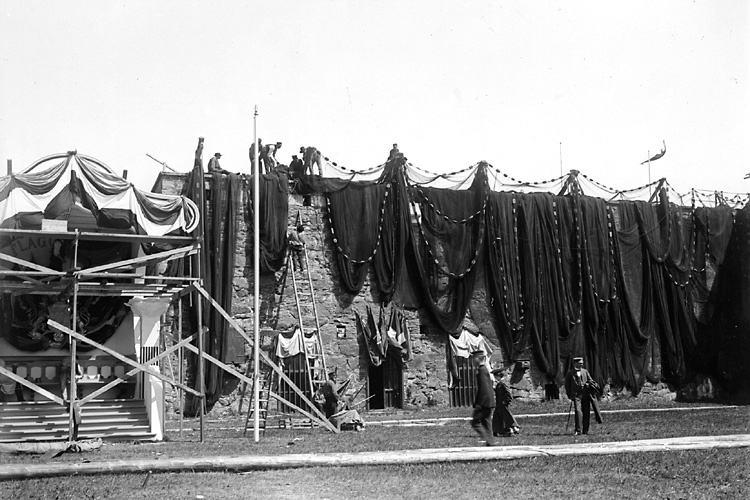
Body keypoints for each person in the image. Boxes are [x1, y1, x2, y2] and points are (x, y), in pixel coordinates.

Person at [564, 356, 603, 435]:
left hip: (586, 394)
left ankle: (585, 430)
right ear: (575, 364)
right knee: (578, 411)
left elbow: (591, 380)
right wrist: (570, 395)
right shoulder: (570, 373)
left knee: (586, 412)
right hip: (576, 395)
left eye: (582, 363)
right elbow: (567, 385)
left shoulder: (585, 371)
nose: (581, 365)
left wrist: (589, 384)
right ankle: (578, 430)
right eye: (580, 363)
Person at [470, 351, 497, 446]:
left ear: (478, 359)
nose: (473, 361)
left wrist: (479, 403)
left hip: (484, 401)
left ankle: (487, 439)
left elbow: (483, 388)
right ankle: (491, 441)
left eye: (473, 358)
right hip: (489, 401)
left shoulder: (481, 370)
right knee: (486, 421)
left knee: (475, 422)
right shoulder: (484, 369)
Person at [492, 366, 519, 437]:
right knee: (499, 418)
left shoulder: (503, 383)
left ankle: (512, 429)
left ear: (499, 376)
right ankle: (499, 430)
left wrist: (505, 401)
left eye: (495, 376)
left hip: (503, 404)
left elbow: (508, 394)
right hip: (499, 404)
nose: (495, 378)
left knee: (507, 417)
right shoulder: (500, 383)